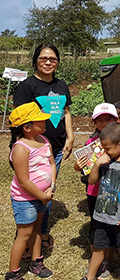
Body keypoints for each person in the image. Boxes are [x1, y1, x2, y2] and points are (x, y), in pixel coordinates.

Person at [12, 43, 74, 248]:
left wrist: (70, 137)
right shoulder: (27, 87)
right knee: (30, 191)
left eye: (52, 59)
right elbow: (19, 120)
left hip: (54, 147)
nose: (48, 62)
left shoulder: (62, 85)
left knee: (47, 189)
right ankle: (26, 233)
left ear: (58, 62)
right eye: (43, 58)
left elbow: (65, 111)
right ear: (35, 61)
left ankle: (40, 232)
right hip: (32, 151)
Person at [82, 123, 120, 280]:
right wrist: (96, 164)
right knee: (98, 248)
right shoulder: (105, 160)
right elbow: (92, 181)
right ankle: (90, 276)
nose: (105, 152)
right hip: (102, 215)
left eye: (108, 148)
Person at [6, 102, 55, 280]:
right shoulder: (21, 148)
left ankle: (36, 262)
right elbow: (24, 181)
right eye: (40, 120)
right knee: (24, 233)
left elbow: (51, 164)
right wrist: (42, 196)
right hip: (25, 199)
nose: (45, 122)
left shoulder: (44, 141)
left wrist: (52, 185)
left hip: (43, 197)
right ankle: (13, 273)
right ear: (27, 127)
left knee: (37, 229)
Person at [74, 103, 119, 280]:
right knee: (96, 226)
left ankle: (107, 260)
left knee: (111, 225)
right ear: (94, 123)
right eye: (100, 120)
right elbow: (83, 166)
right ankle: (96, 260)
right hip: (94, 191)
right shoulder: (90, 143)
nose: (104, 123)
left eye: (109, 119)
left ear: (116, 121)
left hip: (113, 191)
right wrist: (78, 166)